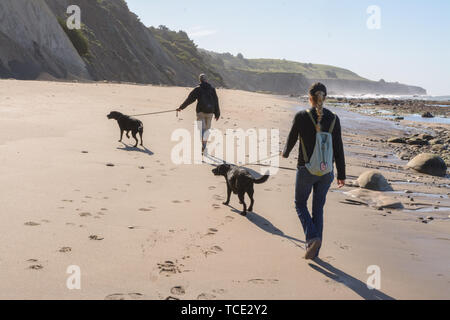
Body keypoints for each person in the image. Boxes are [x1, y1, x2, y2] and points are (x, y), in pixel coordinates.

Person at [282, 82, 346, 260]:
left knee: (300, 204)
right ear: (324, 98)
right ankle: (314, 252)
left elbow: (292, 139)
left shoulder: (302, 116)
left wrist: (285, 153)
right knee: (318, 209)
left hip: (306, 169)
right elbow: (339, 148)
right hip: (326, 172)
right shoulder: (334, 119)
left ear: (310, 98)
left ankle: (312, 238)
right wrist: (341, 174)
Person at [177, 74, 220, 152]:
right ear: (207, 80)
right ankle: (204, 145)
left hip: (200, 112)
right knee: (207, 130)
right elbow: (216, 101)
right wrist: (217, 114)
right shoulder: (212, 89)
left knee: (201, 129)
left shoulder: (198, 89)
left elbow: (189, 100)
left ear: (200, 80)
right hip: (210, 112)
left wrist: (181, 107)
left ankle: (203, 144)